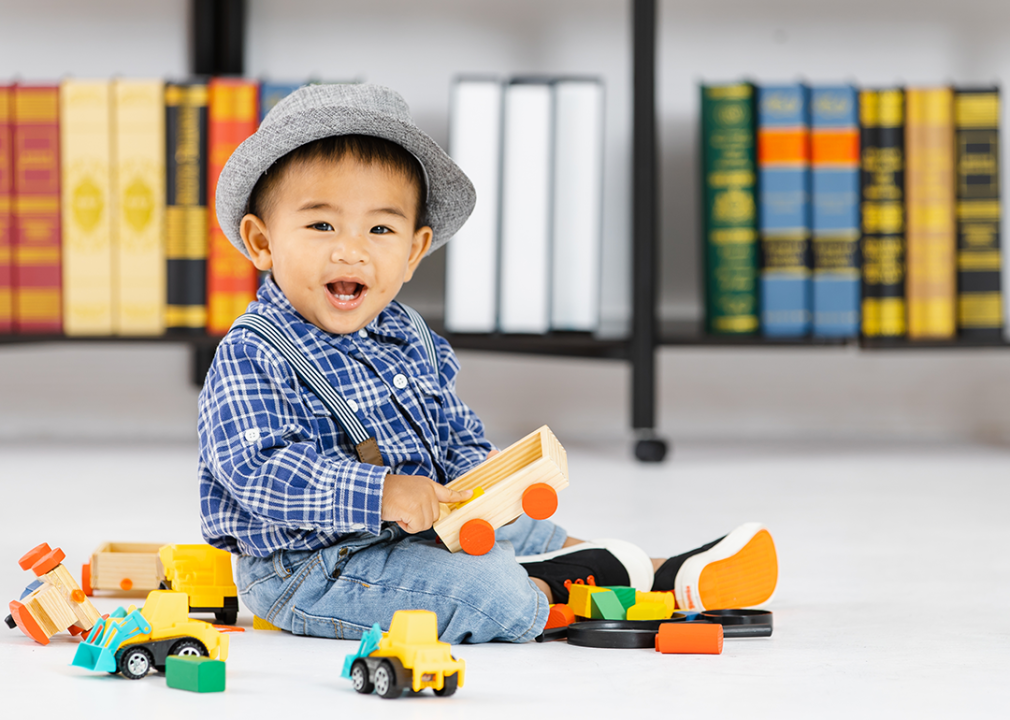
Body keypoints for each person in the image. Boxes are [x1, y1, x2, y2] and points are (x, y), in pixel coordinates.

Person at [198, 84, 777, 644]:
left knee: (518, 521)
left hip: (421, 528)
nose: (351, 249)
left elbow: (451, 428)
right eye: (321, 224)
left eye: (380, 228)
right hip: (311, 569)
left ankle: (658, 572)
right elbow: (255, 470)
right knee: (486, 589)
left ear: (413, 252)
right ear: (262, 242)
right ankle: (544, 590)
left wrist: (487, 476)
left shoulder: (406, 337)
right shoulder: (252, 352)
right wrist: (381, 492)